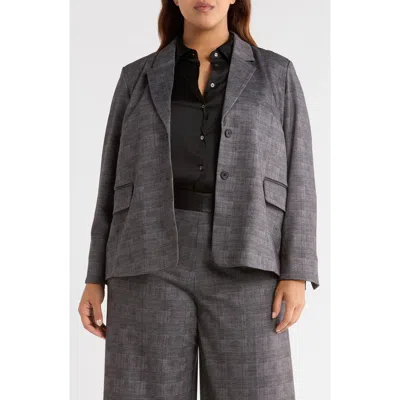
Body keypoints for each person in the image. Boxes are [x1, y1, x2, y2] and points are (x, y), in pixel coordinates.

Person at [78, 0, 320, 398]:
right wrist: (94, 277)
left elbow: (301, 173)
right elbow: (110, 181)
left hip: (248, 257)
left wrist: (296, 271)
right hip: (146, 260)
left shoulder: (276, 75)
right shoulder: (137, 77)